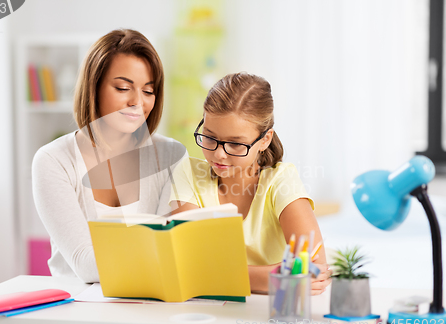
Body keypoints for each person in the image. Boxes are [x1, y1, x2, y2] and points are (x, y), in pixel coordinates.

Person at [32, 29, 185, 283]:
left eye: (148, 91)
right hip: (74, 309)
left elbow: (173, 247)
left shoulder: (170, 155)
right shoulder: (53, 160)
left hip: (150, 305)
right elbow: (85, 265)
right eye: (124, 88)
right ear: (94, 87)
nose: (138, 102)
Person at [169, 72, 331, 295]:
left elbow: (313, 270)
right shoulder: (186, 172)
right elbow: (185, 264)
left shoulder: (280, 180)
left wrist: (217, 274)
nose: (219, 154)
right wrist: (274, 277)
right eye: (209, 137)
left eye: (235, 144)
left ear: (265, 139)